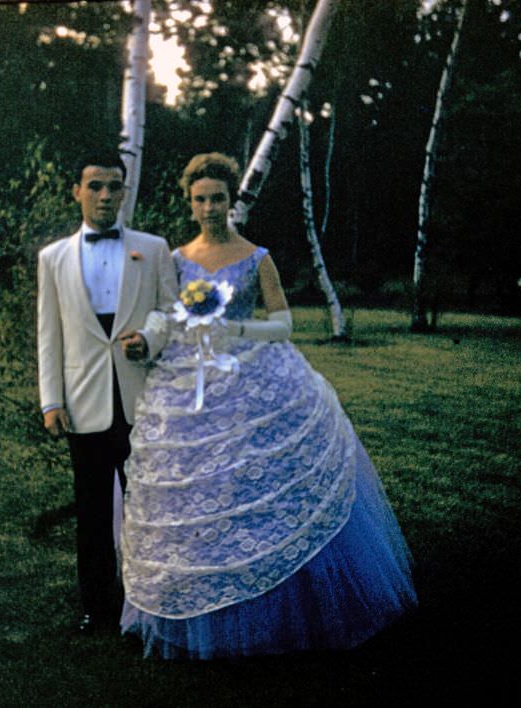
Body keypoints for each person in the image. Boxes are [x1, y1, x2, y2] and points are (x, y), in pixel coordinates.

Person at [119, 152, 418, 659]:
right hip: (189, 384)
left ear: (231, 200)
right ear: (189, 204)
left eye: (218, 198)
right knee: (200, 493)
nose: (210, 208)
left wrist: (233, 329)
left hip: (252, 378)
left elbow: (283, 324)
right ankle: (207, 607)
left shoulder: (257, 256)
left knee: (256, 486)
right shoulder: (174, 259)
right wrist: (145, 343)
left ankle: (278, 607)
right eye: (200, 200)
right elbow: (164, 319)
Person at [37, 149, 178, 633]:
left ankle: (156, 600)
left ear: (123, 192)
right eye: (94, 186)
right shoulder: (52, 258)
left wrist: (150, 338)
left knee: (150, 508)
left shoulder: (153, 248)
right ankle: (97, 607)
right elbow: (49, 334)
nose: (104, 195)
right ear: (76, 192)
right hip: (84, 404)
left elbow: (170, 311)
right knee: (93, 511)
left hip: (143, 400)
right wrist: (51, 400)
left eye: (113, 186)